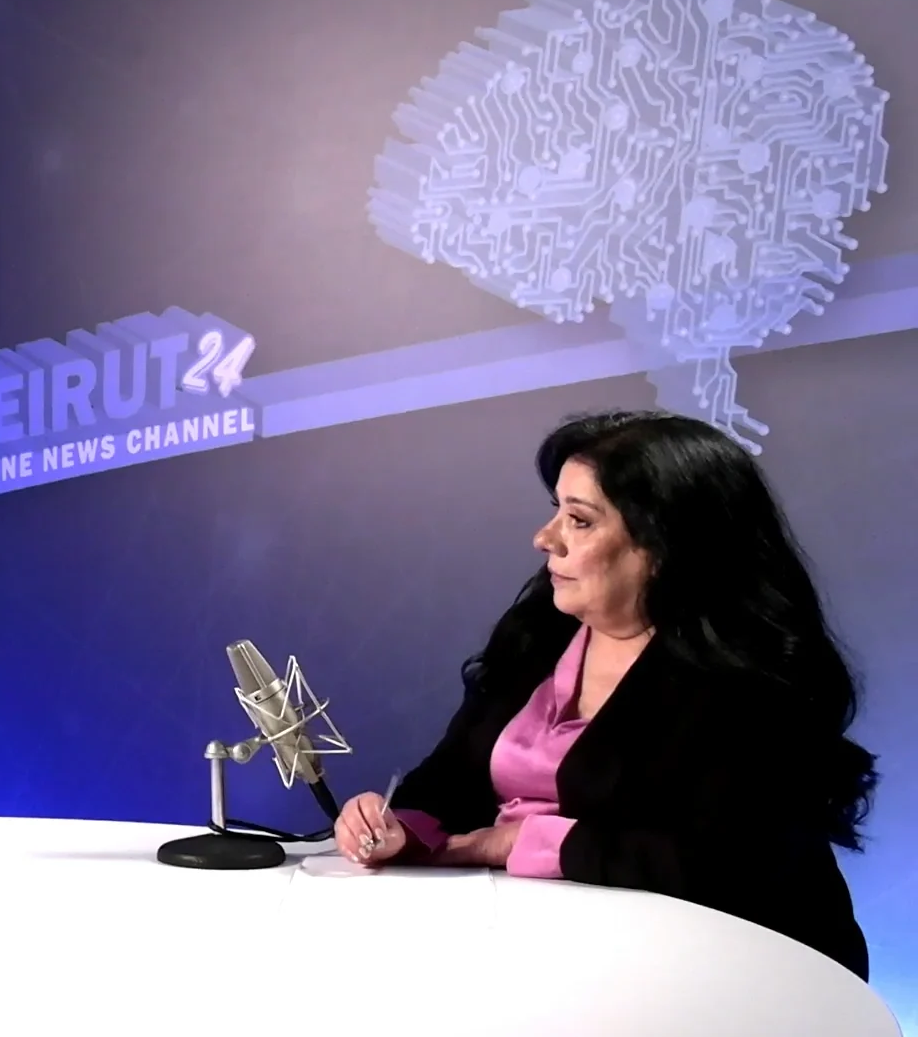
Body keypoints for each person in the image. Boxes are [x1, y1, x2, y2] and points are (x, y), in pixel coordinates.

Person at [333, 409, 877, 980]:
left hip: (736, 970)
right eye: (556, 512)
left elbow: (721, 863)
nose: (545, 538)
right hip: (556, 950)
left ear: (663, 545)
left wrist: (517, 843)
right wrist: (397, 826)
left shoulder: (752, 681)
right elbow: (449, 781)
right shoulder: (540, 632)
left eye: (580, 520)